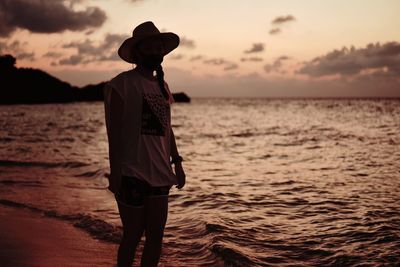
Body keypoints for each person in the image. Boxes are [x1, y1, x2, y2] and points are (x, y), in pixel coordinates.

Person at [103, 21, 186, 267]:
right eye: (150, 46)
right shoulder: (121, 84)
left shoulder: (163, 87)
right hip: (131, 172)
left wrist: (177, 163)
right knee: (132, 235)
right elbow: (114, 132)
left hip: (160, 173)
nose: (156, 51)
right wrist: (115, 171)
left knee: (156, 237)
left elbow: (167, 130)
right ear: (138, 52)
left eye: (159, 46)